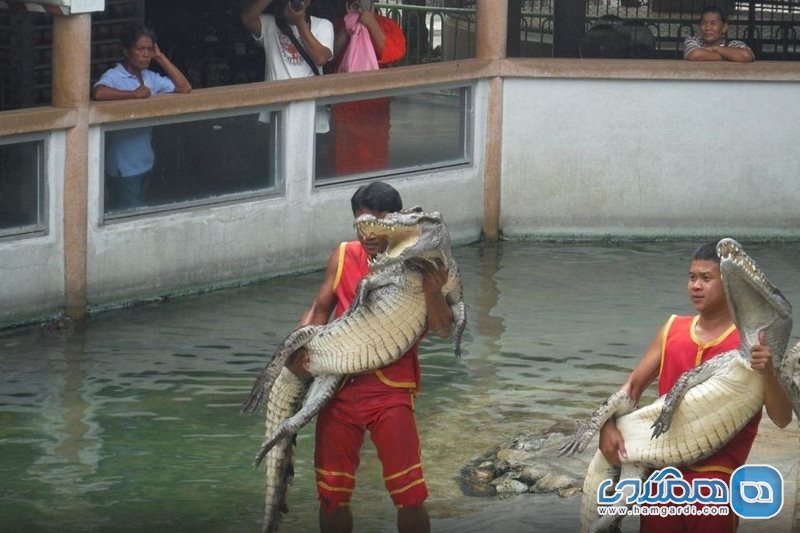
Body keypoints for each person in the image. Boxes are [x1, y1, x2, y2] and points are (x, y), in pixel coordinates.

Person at [286, 181, 453, 533]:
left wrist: (434, 292)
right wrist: (296, 351)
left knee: (409, 495)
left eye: (376, 224)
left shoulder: (421, 262)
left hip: (390, 389)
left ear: (393, 222)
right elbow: (318, 310)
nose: (368, 233)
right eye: (361, 224)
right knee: (331, 495)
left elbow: (443, 329)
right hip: (338, 387)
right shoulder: (344, 254)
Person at [597, 241, 793, 532]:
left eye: (706, 278)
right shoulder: (672, 328)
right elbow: (633, 387)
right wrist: (607, 425)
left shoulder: (751, 342)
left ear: (729, 285)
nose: (696, 286)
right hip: (662, 475)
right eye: (692, 277)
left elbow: (781, 418)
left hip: (717, 480)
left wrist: (768, 373)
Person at [92, 23, 192, 211]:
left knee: (144, 212)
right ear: (126, 51)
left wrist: (161, 57)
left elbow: (184, 87)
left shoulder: (150, 77)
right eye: (140, 49)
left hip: (146, 161)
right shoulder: (115, 75)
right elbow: (99, 92)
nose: (145, 54)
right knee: (130, 216)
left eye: (149, 50)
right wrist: (133, 95)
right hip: (123, 167)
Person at [328, 1, 406, 176]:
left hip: (374, 105)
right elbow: (329, 55)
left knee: (374, 159)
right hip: (345, 104)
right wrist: (349, 25)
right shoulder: (340, 23)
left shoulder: (387, 24)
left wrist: (371, 23)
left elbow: (394, 53)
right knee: (343, 158)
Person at [240, 0, 334, 81]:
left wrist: (299, 22)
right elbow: (246, 18)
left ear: (308, 2)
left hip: (310, 100)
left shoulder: (322, 25)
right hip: (277, 100)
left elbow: (320, 59)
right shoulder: (270, 24)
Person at [683, 6, 754, 62]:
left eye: (713, 23)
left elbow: (746, 56)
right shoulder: (692, 41)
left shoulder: (733, 44)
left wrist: (715, 48)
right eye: (703, 23)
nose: (708, 28)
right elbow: (695, 55)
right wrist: (731, 56)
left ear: (724, 27)